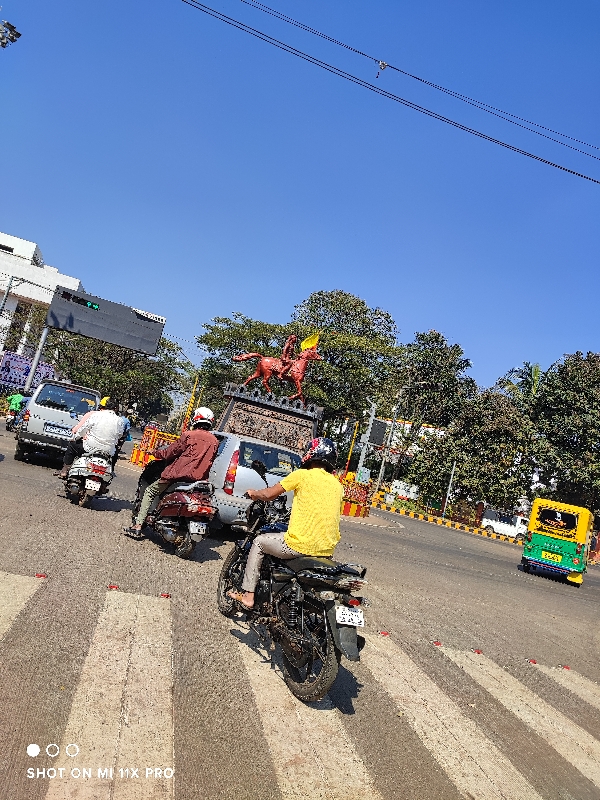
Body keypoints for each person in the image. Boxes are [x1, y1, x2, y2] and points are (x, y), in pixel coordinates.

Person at [227, 437, 343, 610]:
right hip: (326, 550)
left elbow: (269, 495)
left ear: (311, 454)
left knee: (259, 542)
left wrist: (254, 493)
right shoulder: (338, 485)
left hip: (299, 545)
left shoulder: (302, 475)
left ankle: (248, 596)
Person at [125, 407, 219, 536]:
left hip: (178, 476)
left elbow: (169, 453)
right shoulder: (215, 441)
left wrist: (154, 452)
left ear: (195, 419)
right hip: (198, 480)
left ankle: (138, 525)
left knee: (149, 491)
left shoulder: (188, 435)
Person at [56, 399, 126, 478]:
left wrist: (76, 438)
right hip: (108, 451)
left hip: (90, 448)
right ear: (116, 408)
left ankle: (64, 471)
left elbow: (83, 430)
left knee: (72, 445)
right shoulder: (120, 421)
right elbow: (120, 435)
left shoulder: (95, 415)